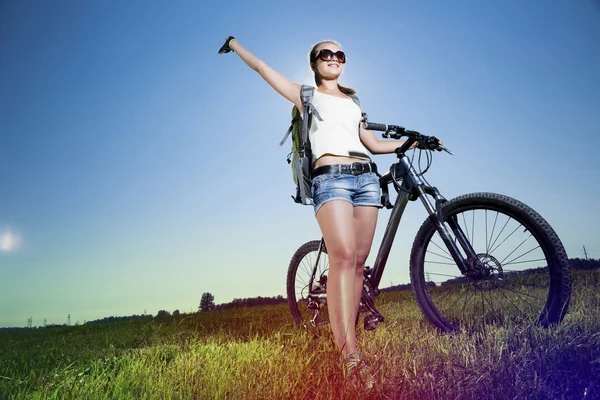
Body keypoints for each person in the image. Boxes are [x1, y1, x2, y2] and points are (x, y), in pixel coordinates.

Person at [218, 36, 419, 389]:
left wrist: (407, 143)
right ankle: (351, 358)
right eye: (325, 54)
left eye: (339, 54)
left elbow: (371, 144)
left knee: (358, 262)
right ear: (314, 63)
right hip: (331, 180)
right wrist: (235, 45)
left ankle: (348, 338)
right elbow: (263, 68)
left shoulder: (354, 102)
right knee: (341, 257)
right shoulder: (305, 95)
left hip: (366, 180)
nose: (333, 57)